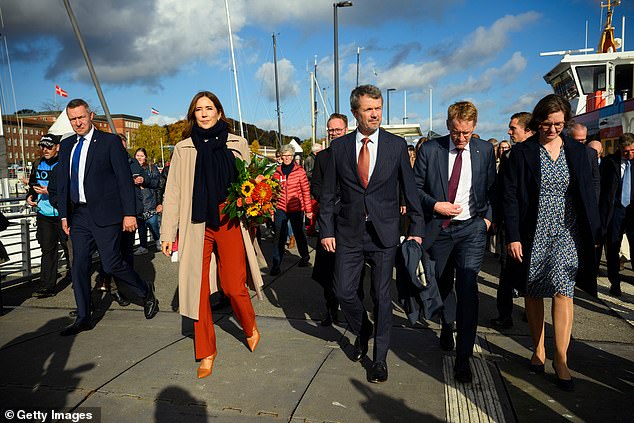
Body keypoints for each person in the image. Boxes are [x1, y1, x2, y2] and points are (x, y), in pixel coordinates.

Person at [319, 85, 424, 383]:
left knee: (381, 296)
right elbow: (327, 195)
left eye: (378, 108)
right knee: (343, 291)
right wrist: (326, 230)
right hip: (349, 232)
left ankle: (379, 359)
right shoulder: (339, 148)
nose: (375, 113)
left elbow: (410, 189)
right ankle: (363, 328)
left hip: (384, 232)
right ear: (355, 113)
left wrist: (416, 228)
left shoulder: (395, 145)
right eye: (368, 109)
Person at [160, 91, 264, 379]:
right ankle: (206, 350)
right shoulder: (183, 149)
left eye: (209, 108)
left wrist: (256, 208)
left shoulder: (237, 143)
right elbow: (173, 194)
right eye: (198, 109)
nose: (204, 114)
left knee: (232, 286)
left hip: (229, 219)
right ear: (193, 115)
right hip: (196, 223)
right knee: (197, 289)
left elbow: (252, 182)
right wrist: (168, 233)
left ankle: (249, 325)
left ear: (219, 112)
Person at [504, 94, 600, 391]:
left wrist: (594, 233)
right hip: (534, 230)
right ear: (537, 121)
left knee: (563, 290)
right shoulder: (522, 153)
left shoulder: (579, 153)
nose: (552, 129)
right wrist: (513, 236)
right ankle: (539, 348)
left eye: (558, 124)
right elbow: (509, 196)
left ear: (566, 122)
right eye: (547, 124)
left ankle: (560, 357)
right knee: (533, 291)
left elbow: (588, 193)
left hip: (567, 230)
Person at [56, 99, 159, 336]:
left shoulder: (110, 142)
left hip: (107, 215)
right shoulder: (68, 145)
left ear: (91, 115)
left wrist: (129, 213)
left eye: (81, 117)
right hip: (79, 216)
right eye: (73, 119)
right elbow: (63, 183)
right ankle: (83, 317)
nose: (77, 123)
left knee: (112, 263)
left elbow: (124, 180)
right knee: (79, 264)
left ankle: (145, 291)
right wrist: (64, 215)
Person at [413, 101, 496, 384]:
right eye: (457, 133)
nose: (462, 139)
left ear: (475, 128)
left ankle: (464, 359)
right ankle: (447, 324)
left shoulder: (484, 150)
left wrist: (487, 219)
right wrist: (436, 205)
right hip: (440, 229)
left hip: (472, 229)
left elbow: (492, 187)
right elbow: (415, 189)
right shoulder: (430, 149)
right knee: (443, 283)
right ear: (449, 125)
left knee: (469, 287)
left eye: (467, 133)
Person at [491, 112, 534, 330]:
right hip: (510, 225)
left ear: (528, 130)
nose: (509, 132)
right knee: (507, 271)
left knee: (531, 270)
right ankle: (504, 314)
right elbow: (501, 192)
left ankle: (531, 309)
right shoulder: (509, 156)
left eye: (513, 128)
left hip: (533, 225)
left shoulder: (540, 155)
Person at [311, 112, 349, 326]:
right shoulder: (323, 157)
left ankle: (353, 308)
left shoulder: (356, 153)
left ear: (346, 129)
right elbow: (315, 186)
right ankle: (330, 309)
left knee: (351, 266)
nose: (334, 133)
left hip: (351, 219)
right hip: (329, 219)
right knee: (327, 268)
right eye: (331, 130)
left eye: (338, 129)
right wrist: (330, 201)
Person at [26, 133, 70, 297]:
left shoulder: (65, 164)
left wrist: (50, 191)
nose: (45, 149)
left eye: (48, 146)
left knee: (69, 248)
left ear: (57, 147)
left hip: (63, 213)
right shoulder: (37, 163)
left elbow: (70, 187)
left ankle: (75, 278)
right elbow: (33, 183)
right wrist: (30, 195)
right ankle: (47, 286)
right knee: (48, 250)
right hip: (44, 213)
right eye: (42, 146)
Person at [599, 132, 634, 297]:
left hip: (632, 211)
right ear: (620, 148)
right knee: (613, 248)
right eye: (626, 151)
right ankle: (615, 282)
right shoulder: (608, 163)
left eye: (633, 150)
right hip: (615, 211)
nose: (629, 154)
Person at [269, 144, 313, 275]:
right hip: (280, 208)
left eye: (289, 155)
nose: (287, 157)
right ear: (281, 156)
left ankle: (305, 256)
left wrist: (308, 210)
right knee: (279, 236)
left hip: (296, 208)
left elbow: (306, 192)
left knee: (299, 233)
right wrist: (272, 211)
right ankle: (276, 264)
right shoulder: (276, 172)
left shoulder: (300, 172)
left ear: (293, 156)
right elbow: (272, 193)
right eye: (284, 155)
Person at [133, 147, 161, 254]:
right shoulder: (132, 167)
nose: (139, 158)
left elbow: (157, 183)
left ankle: (158, 241)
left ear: (145, 157)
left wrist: (145, 181)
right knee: (141, 226)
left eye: (141, 156)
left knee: (153, 224)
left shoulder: (151, 168)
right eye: (137, 156)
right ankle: (143, 246)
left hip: (150, 201)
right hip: (138, 202)